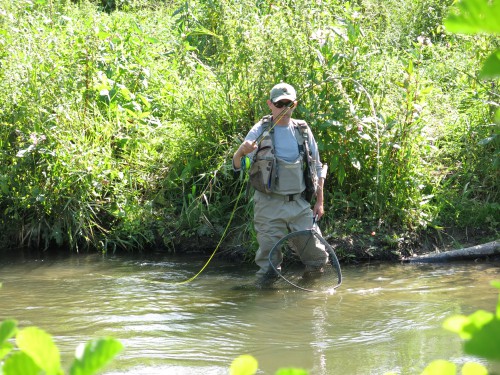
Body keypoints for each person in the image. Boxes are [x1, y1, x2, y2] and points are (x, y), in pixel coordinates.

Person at [232, 82, 329, 287]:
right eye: (279, 104)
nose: (284, 109)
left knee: (317, 258)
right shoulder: (260, 130)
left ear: (295, 104)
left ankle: (309, 297)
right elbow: (238, 165)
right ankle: (264, 306)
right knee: (269, 268)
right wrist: (240, 152)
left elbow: (318, 167)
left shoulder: (302, 130)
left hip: (298, 205)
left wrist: (319, 203)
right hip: (269, 205)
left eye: (289, 104)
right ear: (270, 104)